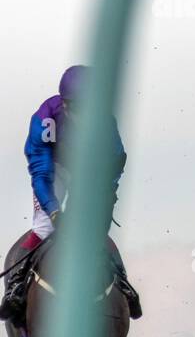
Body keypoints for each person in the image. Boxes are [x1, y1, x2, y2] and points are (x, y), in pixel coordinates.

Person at [0, 65, 142, 321]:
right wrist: (54, 211)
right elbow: (41, 172)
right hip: (52, 167)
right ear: (63, 103)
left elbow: (114, 162)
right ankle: (16, 285)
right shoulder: (45, 119)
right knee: (44, 227)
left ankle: (122, 282)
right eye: (75, 107)